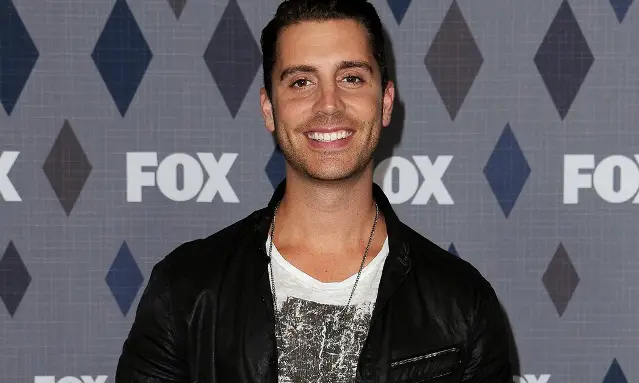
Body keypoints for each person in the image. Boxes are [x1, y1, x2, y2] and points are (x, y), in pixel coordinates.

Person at [115, 0, 513, 381]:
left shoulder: (462, 304)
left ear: (386, 102)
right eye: (302, 81)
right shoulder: (186, 291)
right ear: (269, 108)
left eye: (351, 78)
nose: (328, 104)